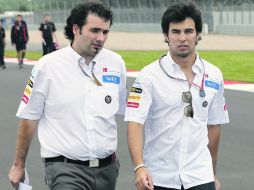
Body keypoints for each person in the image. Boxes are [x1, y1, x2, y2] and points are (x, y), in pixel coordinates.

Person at [9, 2, 126, 190]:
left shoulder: (116, 63)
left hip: (108, 169)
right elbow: (29, 118)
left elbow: (119, 112)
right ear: (76, 29)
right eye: (95, 30)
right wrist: (18, 164)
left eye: (105, 32)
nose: (101, 38)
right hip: (64, 169)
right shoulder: (48, 66)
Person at [125, 1, 229, 190]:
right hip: (159, 177)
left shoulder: (214, 75)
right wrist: (139, 167)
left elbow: (214, 126)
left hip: (200, 177)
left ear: (198, 35)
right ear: (166, 35)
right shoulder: (148, 76)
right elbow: (135, 122)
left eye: (188, 31)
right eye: (176, 32)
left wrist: (212, 173)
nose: (182, 38)